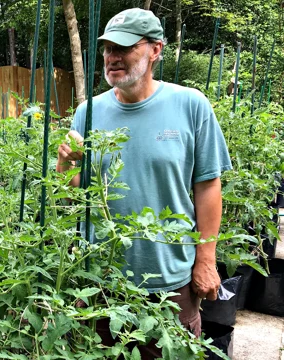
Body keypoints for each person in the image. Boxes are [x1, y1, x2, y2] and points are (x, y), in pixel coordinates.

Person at [56, 7, 232, 358]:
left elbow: (208, 187)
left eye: (124, 48)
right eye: (108, 49)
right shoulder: (88, 112)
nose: (112, 57)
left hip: (170, 282)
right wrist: (63, 165)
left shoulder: (190, 105)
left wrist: (206, 259)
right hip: (100, 280)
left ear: (155, 50)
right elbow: (77, 195)